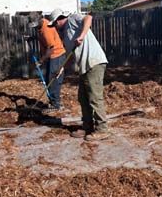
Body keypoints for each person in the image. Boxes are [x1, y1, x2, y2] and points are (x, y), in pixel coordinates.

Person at [48, 9, 110, 140]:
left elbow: (88, 18)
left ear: (59, 20)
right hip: (84, 66)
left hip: (94, 62)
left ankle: (102, 129)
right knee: (83, 98)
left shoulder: (72, 19)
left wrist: (81, 35)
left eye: (54, 24)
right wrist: (61, 68)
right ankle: (88, 126)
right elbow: (70, 56)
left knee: (94, 97)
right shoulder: (65, 34)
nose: (54, 27)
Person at [37, 12, 67, 113]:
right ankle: (53, 101)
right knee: (48, 79)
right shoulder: (40, 26)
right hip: (52, 55)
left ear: (40, 20)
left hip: (57, 54)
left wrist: (41, 61)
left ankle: (56, 104)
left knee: (53, 79)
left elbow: (51, 49)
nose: (35, 27)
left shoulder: (46, 29)